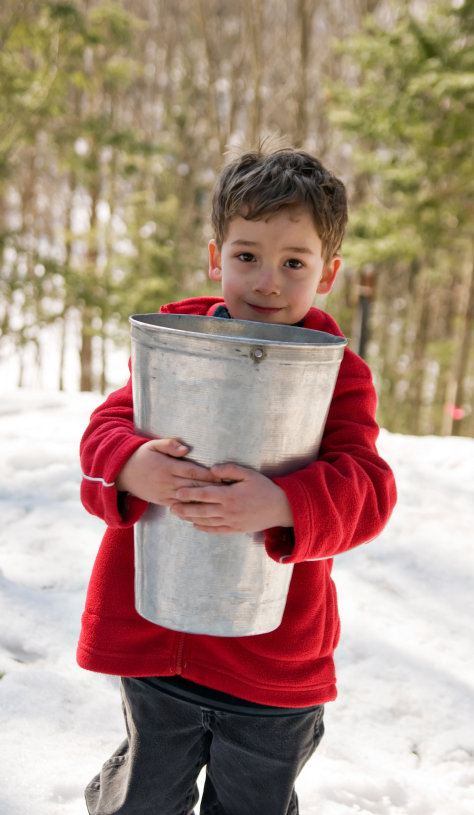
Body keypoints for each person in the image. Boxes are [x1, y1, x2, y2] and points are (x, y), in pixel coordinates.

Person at [78, 140, 397, 815]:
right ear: (216, 256)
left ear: (328, 272)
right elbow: (103, 436)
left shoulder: (338, 374)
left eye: (293, 262)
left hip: (270, 664)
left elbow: (367, 490)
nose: (267, 281)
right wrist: (132, 465)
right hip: (157, 644)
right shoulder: (175, 343)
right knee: (142, 800)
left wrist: (284, 502)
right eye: (247, 256)